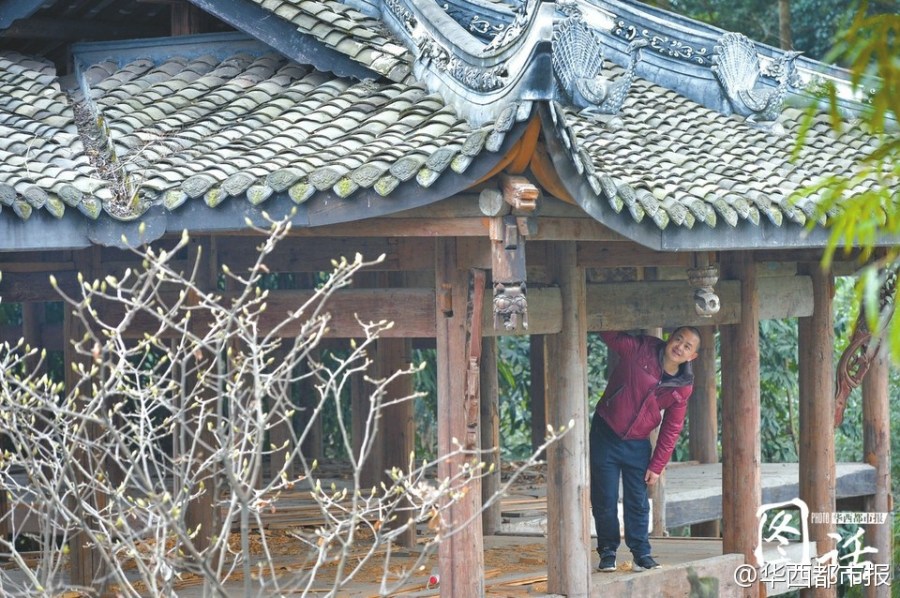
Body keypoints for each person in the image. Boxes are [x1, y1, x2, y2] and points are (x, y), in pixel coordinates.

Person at [590, 327, 700, 572]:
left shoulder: (682, 387)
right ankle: (607, 551)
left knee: (638, 501)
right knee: (605, 498)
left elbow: (672, 427)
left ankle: (641, 554)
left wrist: (657, 465)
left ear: (691, 357)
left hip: (638, 442)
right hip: (605, 432)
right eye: (678, 339)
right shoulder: (641, 349)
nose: (680, 346)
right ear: (669, 338)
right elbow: (609, 333)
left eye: (688, 346)